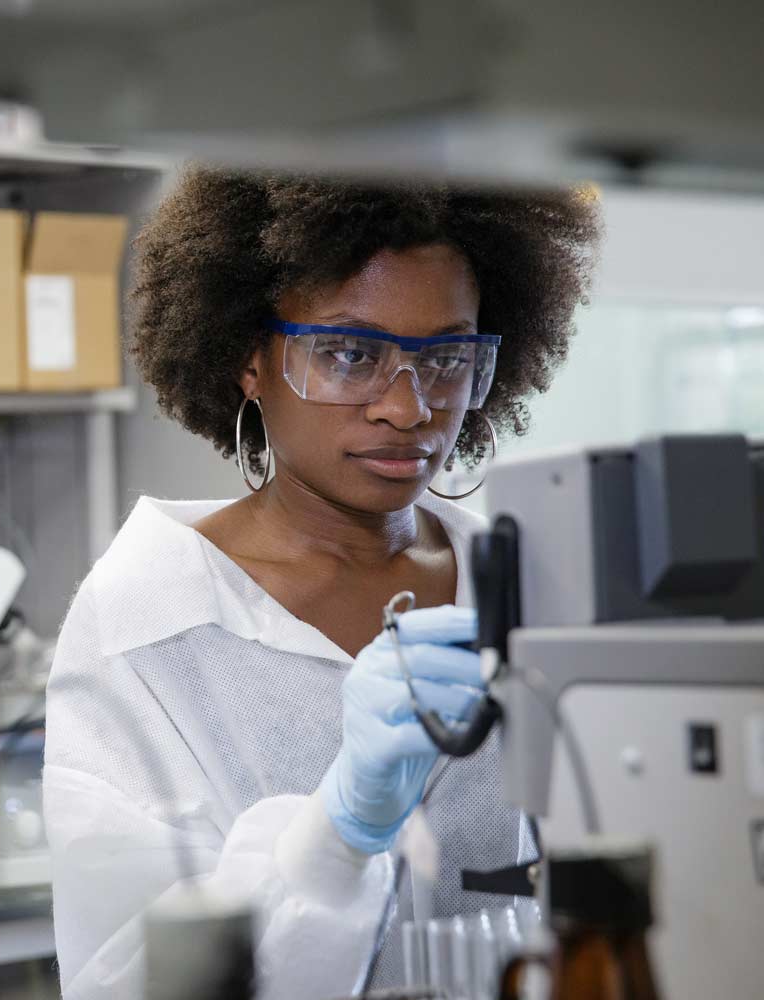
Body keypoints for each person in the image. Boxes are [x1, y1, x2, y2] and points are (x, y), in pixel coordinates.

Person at [44, 169, 600, 998]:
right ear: (248, 359)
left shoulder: (526, 583)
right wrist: (336, 830)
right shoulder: (145, 622)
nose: (410, 409)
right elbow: (127, 980)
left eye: (448, 357)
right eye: (349, 353)